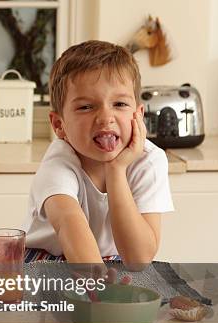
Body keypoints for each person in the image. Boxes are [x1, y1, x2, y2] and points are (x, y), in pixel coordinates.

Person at [21, 40, 174, 268]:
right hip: (45, 259)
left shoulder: (150, 160)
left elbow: (138, 258)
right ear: (59, 125)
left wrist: (116, 169)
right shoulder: (59, 163)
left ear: (138, 115)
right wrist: (98, 288)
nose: (105, 117)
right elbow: (68, 223)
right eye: (85, 107)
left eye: (120, 103)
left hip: (115, 260)